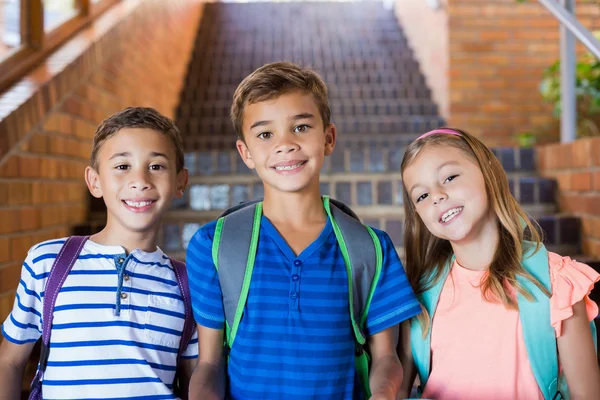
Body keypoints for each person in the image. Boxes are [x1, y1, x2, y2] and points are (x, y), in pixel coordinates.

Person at [186, 61, 421, 400]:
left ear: (328, 138)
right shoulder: (213, 245)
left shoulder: (370, 247)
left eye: (301, 127)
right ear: (246, 152)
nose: (285, 144)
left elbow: (386, 358)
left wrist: (383, 393)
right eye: (266, 134)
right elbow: (209, 366)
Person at [0, 107, 197, 399]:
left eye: (156, 166)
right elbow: (10, 360)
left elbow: (194, 379)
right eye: (122, 167)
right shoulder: (48, 263)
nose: (140, 180)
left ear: (180, 182)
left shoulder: (189, 284)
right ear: (94, 181)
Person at [398, 127, 600, 399]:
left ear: (488, 172)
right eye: (421, 195)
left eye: (449, 177)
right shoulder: (419, 295)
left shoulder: (556, 283)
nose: (437, 195)